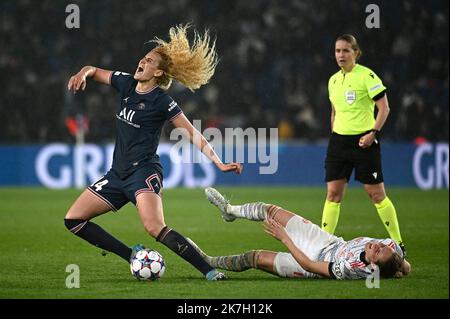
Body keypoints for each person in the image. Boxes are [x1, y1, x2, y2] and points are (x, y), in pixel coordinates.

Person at [64, 24, 242, 281]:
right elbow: (93, 71)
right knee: (73, 220)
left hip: (143, 172)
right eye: (143, 58)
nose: (142, 61)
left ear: (157, 72)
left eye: (149, 61)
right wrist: (82, 73)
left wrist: (219, 162)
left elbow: (192, 133)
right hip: (117, 174)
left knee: (154, 227)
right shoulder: (126, 83)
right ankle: (132, 255)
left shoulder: (162, 100)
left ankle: (209, 271)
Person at [188, 187, 410, 280]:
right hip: (327, 241)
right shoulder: (390, 247)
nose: (378, 246)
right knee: (270, 210)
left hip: (313, 263)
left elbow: (310, 266)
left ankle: (208, 260)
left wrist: (284, 237)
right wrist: (400, 267)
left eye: (378, 253)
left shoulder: (352, 268)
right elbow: (404, 266)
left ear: (372, 267)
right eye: (383, 248)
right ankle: (229, 211)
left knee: (256, 258)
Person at [321, 34, 405, 254]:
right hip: (339, 143)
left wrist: (373, 133)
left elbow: (384, 108)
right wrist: (334, 135)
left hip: (364, 142)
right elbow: (334, 111)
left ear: (355, 52)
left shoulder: (366, 76)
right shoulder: (333, 80)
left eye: (345, 50)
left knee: (376, 195)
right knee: (333, 195)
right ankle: (322, 245)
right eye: (338, 51)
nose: (341, 55)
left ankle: (398, 244)